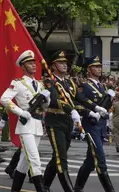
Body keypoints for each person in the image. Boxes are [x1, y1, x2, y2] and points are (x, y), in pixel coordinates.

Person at [0, 50, 49, 192]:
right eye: (29, 63)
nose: (34, 65)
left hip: (37, 125)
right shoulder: (18, 83)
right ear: (23, 66)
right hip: (25, 126)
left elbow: (44, 106)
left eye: (34, 62)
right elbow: (4, 99)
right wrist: (21, 112)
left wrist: (46, 100)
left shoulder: (40, 84)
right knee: (34, 160)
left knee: (23, 164)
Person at [73, 56, 116, 192]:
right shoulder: (84, 86)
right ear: (89, 69)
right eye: (96, 66)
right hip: (91, 126)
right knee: (100, 159)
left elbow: (105, 105)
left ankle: (78, 187)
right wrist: (90, 113)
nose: (99, 69)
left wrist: (107, 113)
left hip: (101, 126)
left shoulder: (102, 87)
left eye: (99, 66)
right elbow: (76, 104)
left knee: (90, 162)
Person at [42, 51, 81, 192]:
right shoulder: (49, 81)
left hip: (67, 122)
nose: (65, 65)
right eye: (61, 62)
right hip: (55, 121)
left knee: (58, 155)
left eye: (65, 62)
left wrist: (94, 109)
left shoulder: (69, 83)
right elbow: (54, 100)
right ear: (53, 66)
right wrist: (71, 110)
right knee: (61, 158)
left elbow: (79, 99)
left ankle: (44, 185)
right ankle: (68, 189)